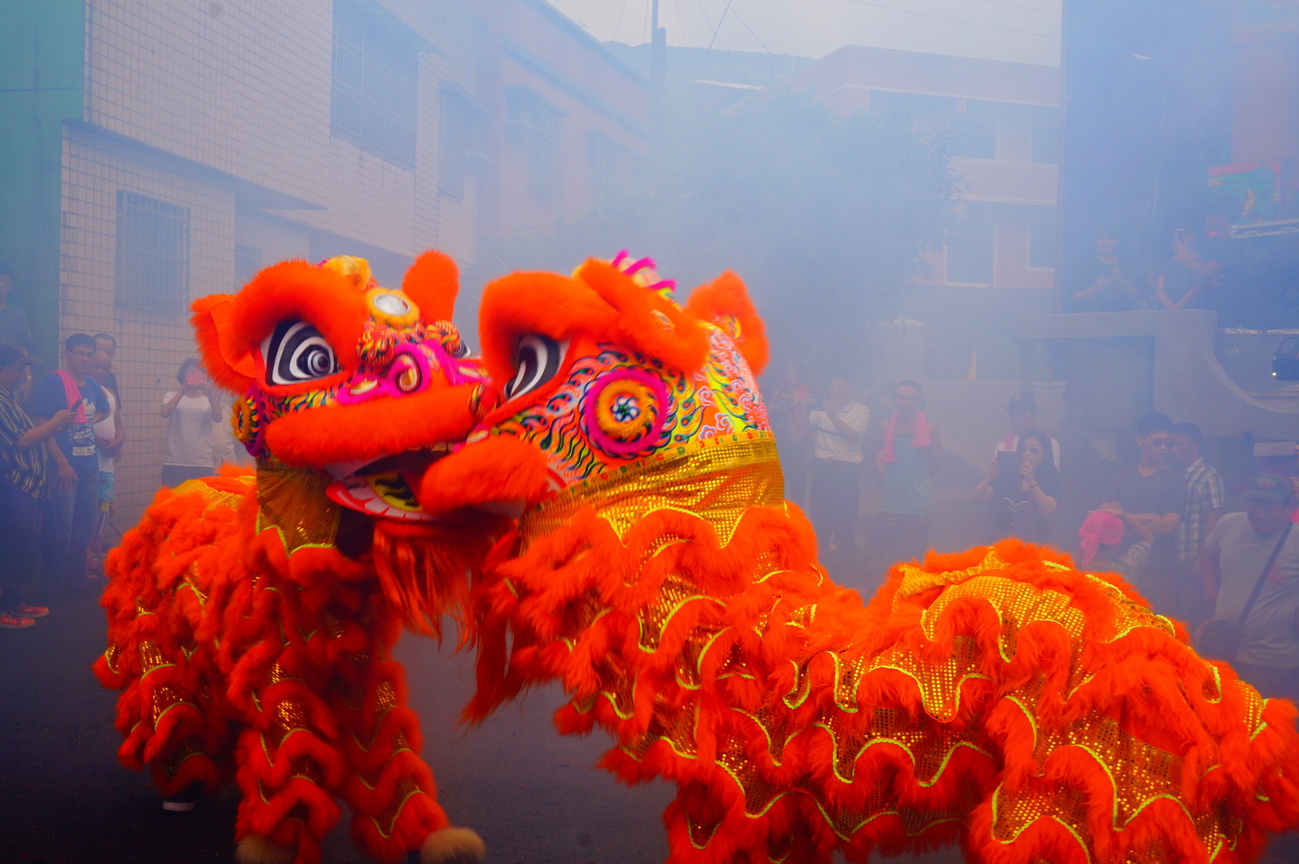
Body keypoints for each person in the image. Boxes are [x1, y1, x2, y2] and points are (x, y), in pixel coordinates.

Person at [1198, 473, 1299, 700]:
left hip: (1274, 662)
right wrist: (1212, 594)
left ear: (1290, 507)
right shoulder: (1229, 524)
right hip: (1224, 651)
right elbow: (1207, 552)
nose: (1260, 513)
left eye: (1270, 507)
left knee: (1268, 727)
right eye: (1255, 505)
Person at [0, 345, 73, 627]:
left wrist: (55, 426)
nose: (23, 374)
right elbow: (22, 440)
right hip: (13, 487)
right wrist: (54, 421)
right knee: (13, 548)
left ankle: (17, 602)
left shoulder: (10, 398)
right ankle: (5, 609)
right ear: (2, 369)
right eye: (19, 368)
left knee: (26, 547)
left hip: (28, 488)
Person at [32, 334, 108, 594]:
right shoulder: (55, 381)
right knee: (60, 530)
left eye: (89, 354)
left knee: (83, 529)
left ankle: (74, 583)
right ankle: (52, 586)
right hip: (64, 467)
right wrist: (61, 461)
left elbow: (106, 410)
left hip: (90, 469)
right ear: (68, 353)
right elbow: (42, 422)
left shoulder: (92, 386)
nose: (85, 359)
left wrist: (86, 421)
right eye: (80, 353)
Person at [1098, 412, 1187, 615]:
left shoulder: (1176, 480)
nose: (1164, 448)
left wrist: (1124, 516)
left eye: (1168, 443)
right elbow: (1105, 519)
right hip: (1118, 565)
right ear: (1141, 441)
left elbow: (1167, 526)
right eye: (1157, 442)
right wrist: (1151, 518)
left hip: (1157, 568)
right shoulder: (1119, 478)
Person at [874, 380, 941, 566]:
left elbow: (935, 466)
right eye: (900, 397)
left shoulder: (930, 428)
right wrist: (888, 479)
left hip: (917, 507)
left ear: (919, 401)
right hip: (890, 505)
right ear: (893, 400)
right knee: (880, 563)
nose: (904, 402)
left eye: (910, 398)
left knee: (911, 566)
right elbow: (879, 453)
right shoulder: (885, 425)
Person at [807, 375, 869, 559]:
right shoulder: (819, 409)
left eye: (840, 385)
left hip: (845, 471)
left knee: (845, 519)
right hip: (822, 468)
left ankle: (846, 561)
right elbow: (804, 430)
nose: (836, 389)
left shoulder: (861, 410)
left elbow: (853, 435)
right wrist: (803, 406)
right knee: (820, 517)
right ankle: (822, 559)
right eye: (833, 385)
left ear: (850, 389)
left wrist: (833, 414)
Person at [1170, 422, 1225, 628]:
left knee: (1193, 612)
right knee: (1178, 611)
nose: (1173, 450)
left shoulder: (1207, 476)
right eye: (1171, 445)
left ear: (1194, 446)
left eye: (1178, 445)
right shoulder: (1176, 474)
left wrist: (1203, 558)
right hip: (1175, 555)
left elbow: (1214, 519)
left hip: (1194, 556)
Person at [974, 428, 1059, 544]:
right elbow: (976, 499)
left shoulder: (1050, 479)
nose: (1027, 453)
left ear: (1044, 454)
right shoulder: (1009, 475)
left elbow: (1046, 510)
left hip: (1034, 546)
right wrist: (989, 477)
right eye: (1023, 449)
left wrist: (1031, 480)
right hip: (1001, 544)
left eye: (1033, 450)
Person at [89, 348, 124, 575]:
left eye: (106, 367)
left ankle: (96, 549)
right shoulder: (80, 390)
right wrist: (95, 440)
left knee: (103, 509)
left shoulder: (110, 392)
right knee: (86, 510)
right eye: (97, 366)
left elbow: (118, 425)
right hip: (87, 463)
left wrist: (119, 442)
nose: (101, 371)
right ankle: (85, 556)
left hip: (107, 464)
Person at [160, 358, 221, 487]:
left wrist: (211, 395)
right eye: (191, 372)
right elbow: (165, 413)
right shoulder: (171, 395)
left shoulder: (207, 399)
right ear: (183, 375)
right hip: (174, 460)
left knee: (200, 503)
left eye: (199, 373)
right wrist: (182, 390)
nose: (195, 376)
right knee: (173, 503)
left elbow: (218, 418)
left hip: (202, 461)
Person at [768, 360, 812, 508]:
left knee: (797, 479)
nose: (789, 375)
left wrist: (793, 400)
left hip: (797, 440)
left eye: (793, 372)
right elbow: (769, 412)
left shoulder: (805, 390)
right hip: (780, 440)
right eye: (787, 372)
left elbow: (808, 408)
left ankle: (796, 510)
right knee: (779, 478)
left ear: (800, 374)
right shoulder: (780, 390)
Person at [1069, 228, 1143, 313]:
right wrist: (1097, 287)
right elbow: (1075, 298)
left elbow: (1137, 296)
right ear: (1095, 243)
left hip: (1124, 316)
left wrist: (1120, 281)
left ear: (1116, 242)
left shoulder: (1127, 264)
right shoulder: (1086, 266)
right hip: (1093, 318)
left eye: (1109, 239)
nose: (1105, 243)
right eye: (1101, 240)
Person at [1153, 226, 1222, 311]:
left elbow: (1197, 286)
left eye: (1186, 233)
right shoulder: (1165, 262)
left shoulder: (1199, 261)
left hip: (1190, 310)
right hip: (1166, 311)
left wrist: (1178, 307)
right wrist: (1170, 305)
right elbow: (1159, 291)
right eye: (1179, 233)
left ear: (1194, 237)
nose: (1182, 237)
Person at [1077, 507, 1155, 580]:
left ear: (1082, 539)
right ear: (1116, 545)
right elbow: (1148, 539)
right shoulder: (1124, 571)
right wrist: (1124, 516)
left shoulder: (1069, 571)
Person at [993, 390, 1060, 470]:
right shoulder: (1002, 447)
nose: (1017, 418)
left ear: (1035, 413)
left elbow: (1052, 477)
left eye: (1022, 413)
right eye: (1013, 414)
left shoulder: (1050, 444)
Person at [0, 263, 33, 356]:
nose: (1, 285)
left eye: (4, 281)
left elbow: (23, 348)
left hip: (9, 367)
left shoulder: (18, 314)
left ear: (10, 286)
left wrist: (26, 369)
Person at [92, 332, 124, 410]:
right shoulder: (81, 375)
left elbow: (114, 409)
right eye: (99, 349)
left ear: (113, 353)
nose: (103, 354)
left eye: (107, 351)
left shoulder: (111, 377)